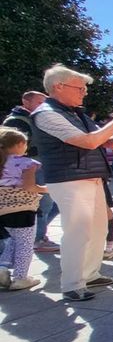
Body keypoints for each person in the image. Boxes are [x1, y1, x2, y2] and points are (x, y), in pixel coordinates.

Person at [32, 64, 113, 301]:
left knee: (99, 229)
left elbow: (106, 142)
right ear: (58, 87)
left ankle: (90, 274)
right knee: (77, 232)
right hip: (69, 179)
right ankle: (72, 283)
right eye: (79, 88)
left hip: (91, 178)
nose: (84, 92)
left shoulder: (75, 113)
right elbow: (88, 142)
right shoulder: (46, 114)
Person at [4, 90, 60, 253]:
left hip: (41, 165)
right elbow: (14, 148)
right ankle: (38, 238)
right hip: (31, 168)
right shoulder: (17, 121)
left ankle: (37, 234)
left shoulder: (34, 118)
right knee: (45, 203)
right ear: (26, 102)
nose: (43, 106)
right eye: (39, 102)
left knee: (54, 203)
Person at [0, 128, 47, 290]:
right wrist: (47, 189)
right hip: (23, 207)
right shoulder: (26, 163)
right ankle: (21, 277)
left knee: (12, 241)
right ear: (20, 144)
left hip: (3, 208)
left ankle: (2, 268)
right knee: (25, 243)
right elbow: (29, 186)